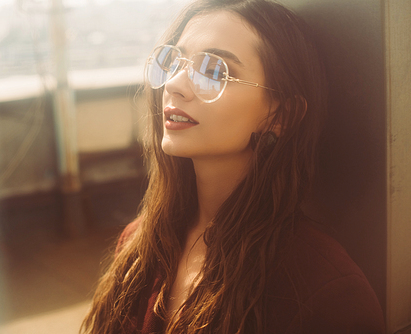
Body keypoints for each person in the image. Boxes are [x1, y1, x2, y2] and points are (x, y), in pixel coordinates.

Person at [80, 0, 385, 333]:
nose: (174, 85)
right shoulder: (140, 243)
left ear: (280, 115)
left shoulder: (324, 292)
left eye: (213, 71)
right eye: (174, 62)